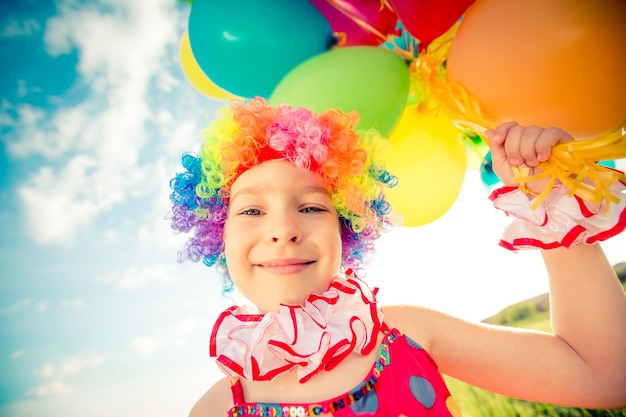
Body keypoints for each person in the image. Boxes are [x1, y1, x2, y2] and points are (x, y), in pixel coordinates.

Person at [168, 97, 626, 416]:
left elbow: (604, 376)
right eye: (250, 209)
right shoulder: (214, 411)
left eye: (311, 207)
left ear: (346, 229)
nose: (284, 229)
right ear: (217, 235)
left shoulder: (406, 333)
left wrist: (547, 199)